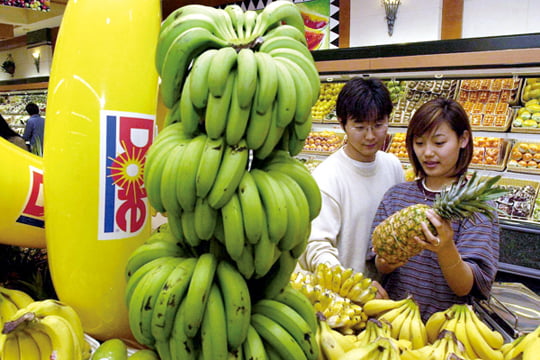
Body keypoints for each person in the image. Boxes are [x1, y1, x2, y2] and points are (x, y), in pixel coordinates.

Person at [369, 98, 500, 321]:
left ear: (463, 139)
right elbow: (379, 262)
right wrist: (388, 260)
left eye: (439, 143)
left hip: (448, 331)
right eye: (419, 143)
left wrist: (446, 247)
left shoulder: (477, 207)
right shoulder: (396, 195)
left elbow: (466, 287)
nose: (427, 153)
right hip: (392, 321)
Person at [298, 77, 404, 275]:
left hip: (388, 295)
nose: (370, 136)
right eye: (360, 127)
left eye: (378, 125)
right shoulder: (327, 177)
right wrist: (352, 285)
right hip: (344, 297)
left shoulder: (393, 166)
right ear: (342, 124)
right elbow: (316, 245)